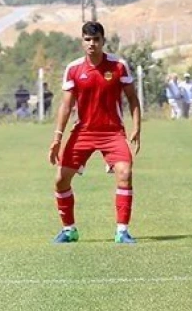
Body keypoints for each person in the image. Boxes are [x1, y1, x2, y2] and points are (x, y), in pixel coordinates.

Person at [49, 22, 142, 244]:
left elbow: (132, 98)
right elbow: (66, 106)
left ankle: (122, 231)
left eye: (96, 39)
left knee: (125, 173)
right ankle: (69, 230)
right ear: (82, 42)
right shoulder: (74, 69)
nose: (92, 44)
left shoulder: (119, 66)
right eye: (88, 40)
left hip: (112, 133)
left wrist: (137, 126)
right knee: (61, 180)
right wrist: (57, 137)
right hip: (83, 132)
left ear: (103, 41)